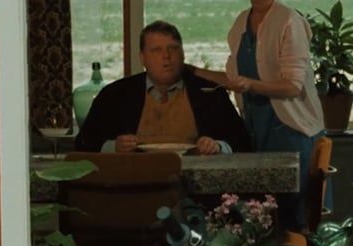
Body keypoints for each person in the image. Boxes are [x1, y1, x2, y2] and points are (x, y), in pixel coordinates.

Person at [216, 0, 327, 230]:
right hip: (258, 133)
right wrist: (189, 71)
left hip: (293, 133)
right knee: (263, 219)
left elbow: (292, 85)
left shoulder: (289, 20)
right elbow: (233, 78)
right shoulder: (240, 24)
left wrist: (250, 85)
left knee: (293, 220)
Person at [75, 20, 250, 155]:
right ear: (142, 58)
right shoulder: (115, 95)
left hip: (196, 181)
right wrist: (114, 146)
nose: (166, 56)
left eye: (173, 48)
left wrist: (218, 146)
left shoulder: (210, 93)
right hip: (133, 180)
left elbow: (243, 142)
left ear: (183, 54)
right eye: (156, 50)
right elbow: (84, 143)